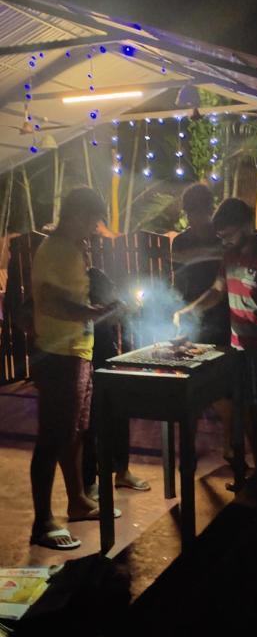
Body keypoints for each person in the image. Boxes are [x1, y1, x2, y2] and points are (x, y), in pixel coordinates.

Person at [173, 197, 257, 481]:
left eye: (227, 234)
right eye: (221, 236)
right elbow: (217, 291)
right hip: (236, 348)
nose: (224, 241)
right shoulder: (228, 258)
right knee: (242, 413)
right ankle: (253, 476)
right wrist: (189, 309)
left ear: (245, 226)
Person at [30, 187, 122, 550]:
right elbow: (49, 302)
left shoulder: (72, 250)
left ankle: (78, 501)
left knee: (75, 432)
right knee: (52, 436)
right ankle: (42, 521)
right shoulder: (55, 250)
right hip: (57, 354)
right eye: (92, 221)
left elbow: (72, 296)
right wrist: (93, 313)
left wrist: (96, 307)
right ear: (77, 214)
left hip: (77, 350)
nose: (93, 229)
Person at [172, 184, 233, 463]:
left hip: (220, 318)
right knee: (189, 384)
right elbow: (178, 279)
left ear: (210, 209)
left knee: (221, 385)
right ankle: (188, 448)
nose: (196, 218)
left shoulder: (222, 241)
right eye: (191, 213)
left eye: (200, 212)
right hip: (189, 316)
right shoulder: (180, 242)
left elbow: (223, 286)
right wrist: (177, 308)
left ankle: (231, 446)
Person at [83, 265, 151, 498]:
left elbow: (117, 307)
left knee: (119, 414)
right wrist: (114, 311)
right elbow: (93, 315)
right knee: (89, 423)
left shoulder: (96, 274)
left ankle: (122, 471)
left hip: (108, 354)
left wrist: (127, 308)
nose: (85, 248)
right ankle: (89, 481)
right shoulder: (68, 281)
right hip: (84, 356)